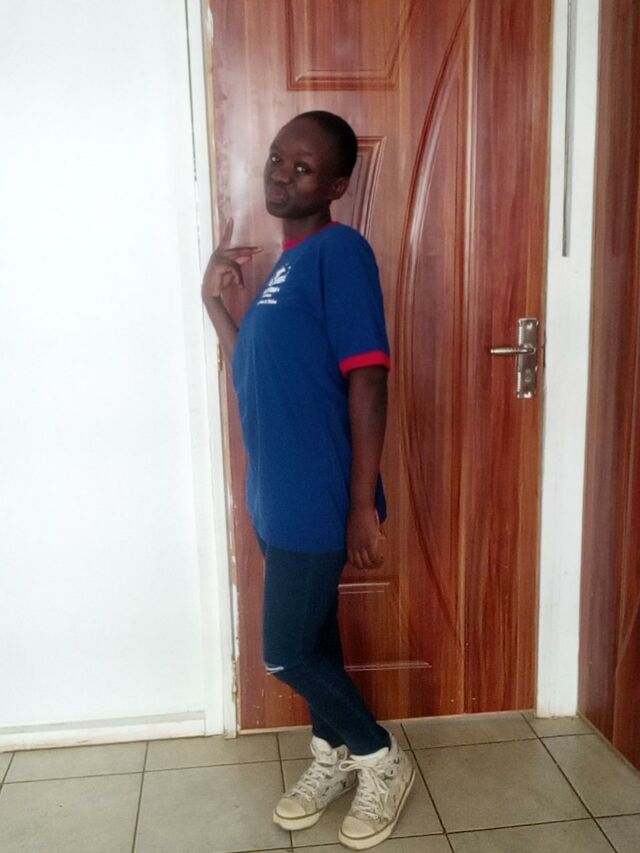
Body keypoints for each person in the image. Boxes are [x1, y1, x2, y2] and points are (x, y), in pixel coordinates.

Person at [201, 111, 414, 850]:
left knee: (285, 651)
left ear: (336, 185)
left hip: (318, 495)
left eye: (303, 167)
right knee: (315, 637)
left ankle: (379, 757)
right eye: (276, 159)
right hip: (275, 494)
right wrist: (213, 303)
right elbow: (250, 369)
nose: (281, 174)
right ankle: (332, 752)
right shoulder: (282, 274)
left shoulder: (339, 253)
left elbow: (369, 378)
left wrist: (361, 505)